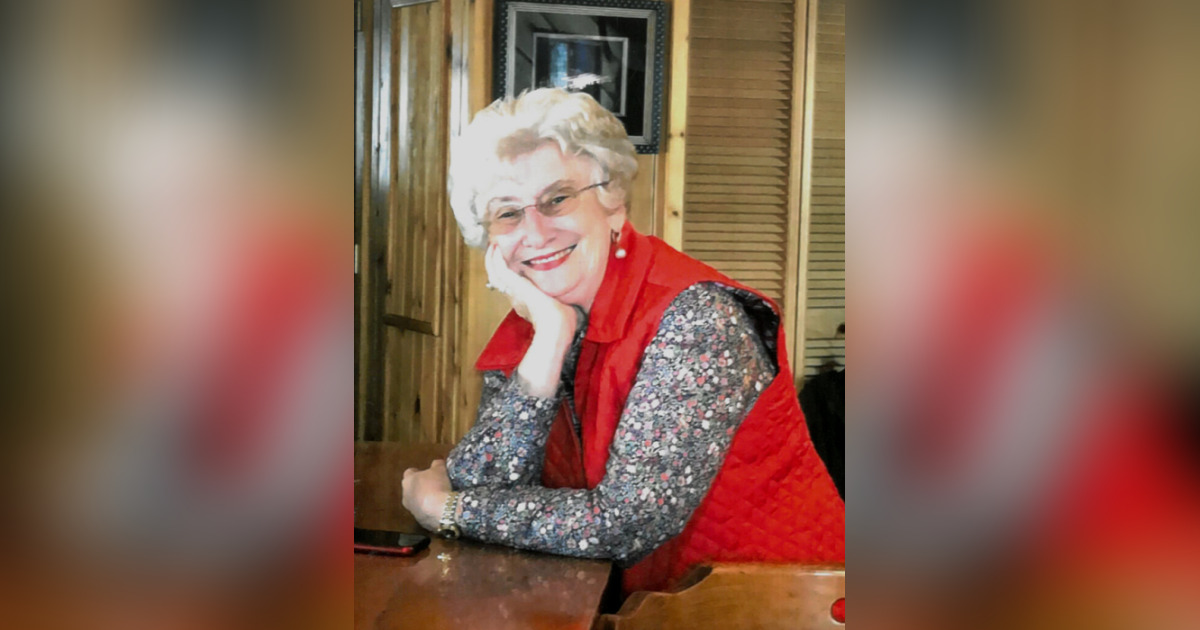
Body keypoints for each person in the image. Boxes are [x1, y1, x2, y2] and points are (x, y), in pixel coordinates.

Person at [401, 88, 844, 595]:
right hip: (644, 605)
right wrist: (551, 338)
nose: (535, 232)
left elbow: (626, 523)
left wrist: (447, 510)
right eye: (507, 213)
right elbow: (484, 480)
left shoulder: (698, 319)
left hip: (774, 605)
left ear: (613, 204)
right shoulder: (542, 315)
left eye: (557, 199)